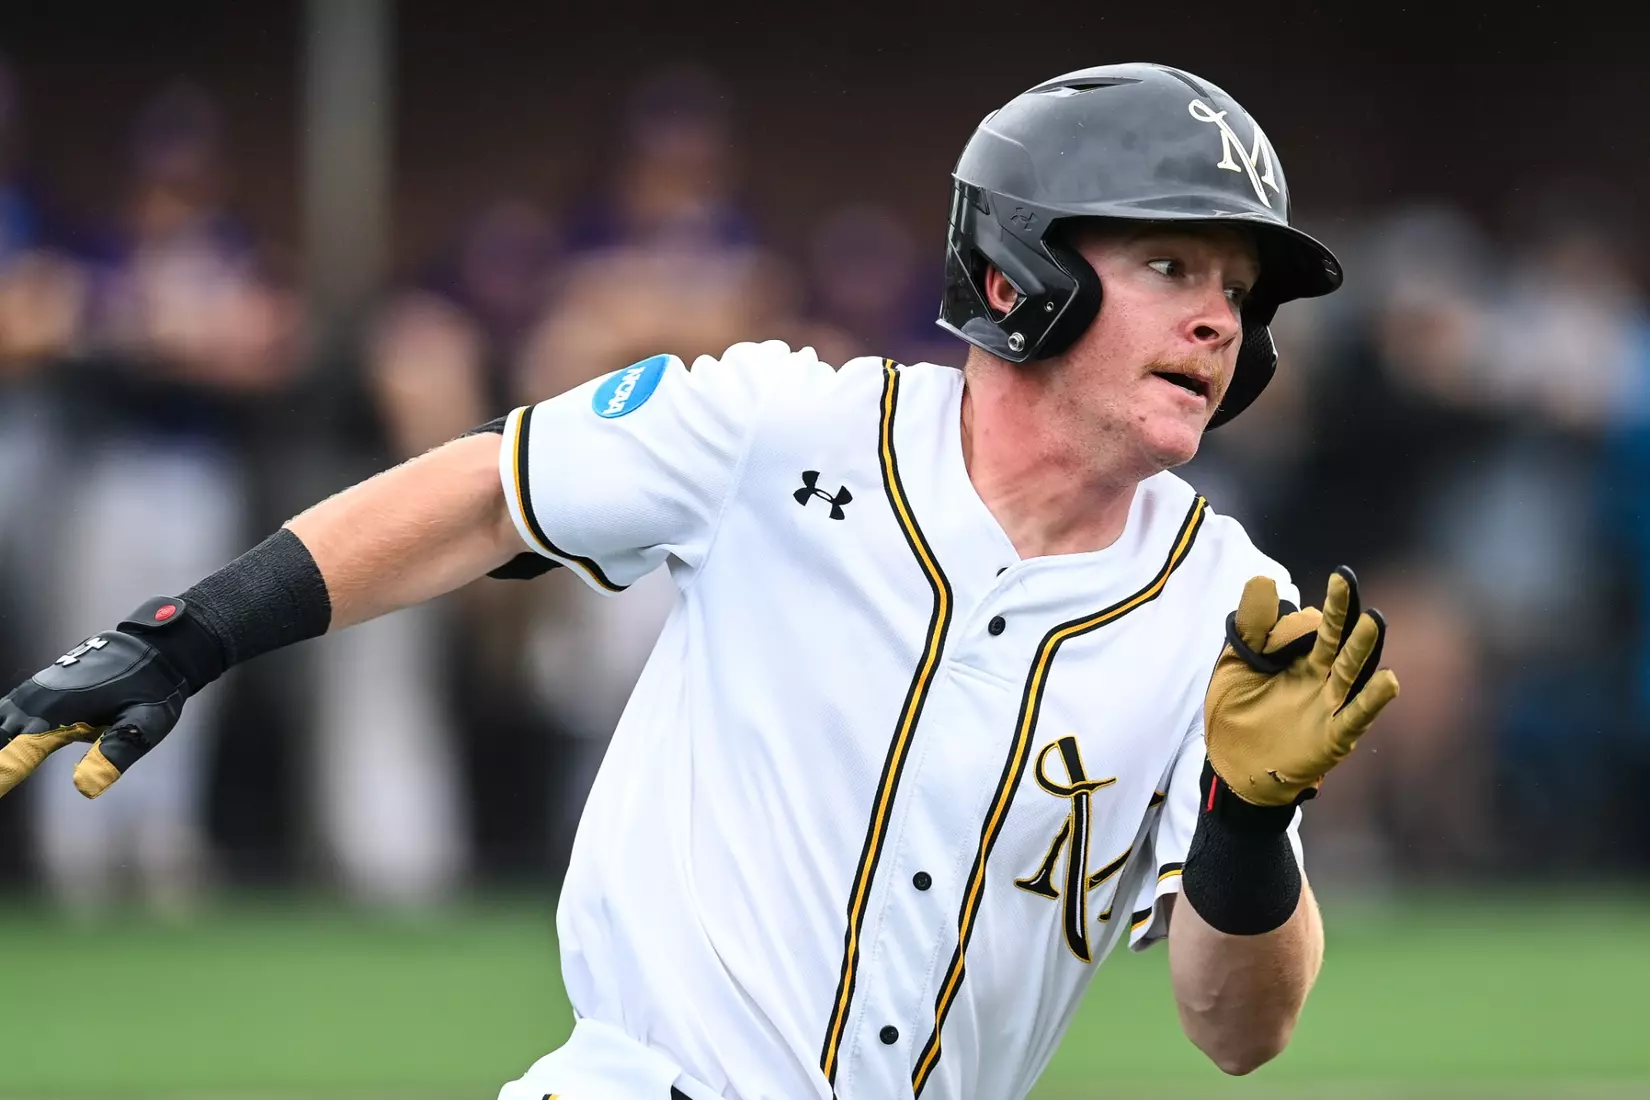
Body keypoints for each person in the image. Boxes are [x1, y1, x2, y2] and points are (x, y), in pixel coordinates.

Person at [0, 63, 1398, 1099]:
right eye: (1169, 262)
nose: (1219, 317)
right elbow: (487, 490)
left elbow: (1239, 1030)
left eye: (1239, 288)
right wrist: (185, 636)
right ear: (1020, 269)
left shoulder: (1232, 609)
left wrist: (1242, 824)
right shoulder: (784, 426)